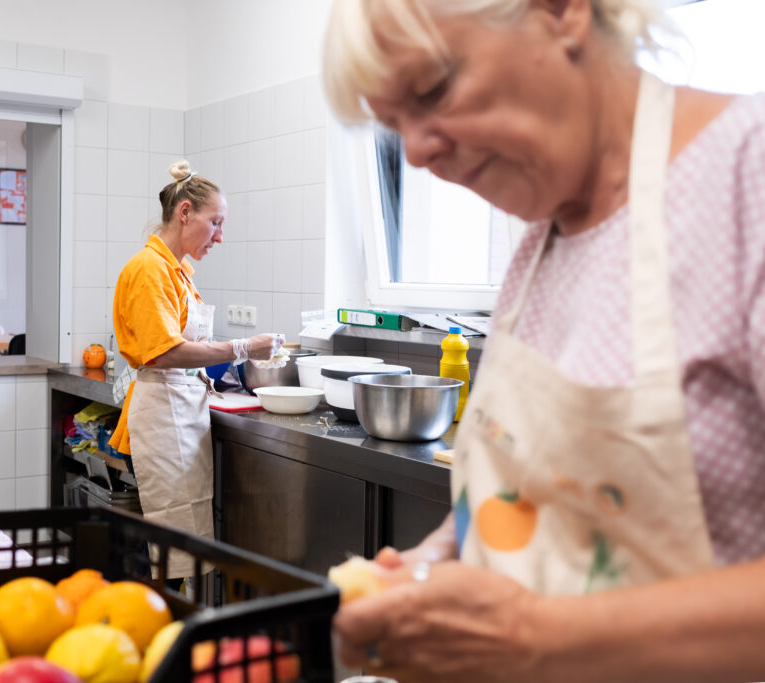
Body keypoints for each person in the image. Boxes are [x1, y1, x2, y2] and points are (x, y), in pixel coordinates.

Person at [322, 0, 765, 680]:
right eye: (392, 127)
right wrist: (432, 565)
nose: (414, 152)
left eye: (434, 88)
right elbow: (530, 498)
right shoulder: (541, 247)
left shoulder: (747, 177)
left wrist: (536, 636)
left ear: (561, 11)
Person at [109, 160, 282, 579]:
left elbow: (185, 346)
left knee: (185, 542)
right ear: (185, 212)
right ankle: (170, 628)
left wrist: (208, 372)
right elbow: (164, 353)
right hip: (163, 418)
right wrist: (242, 347)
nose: (220, 237)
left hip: (180, 413)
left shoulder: (178, 270)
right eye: (216, 223)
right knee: (173, 549)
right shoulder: (151, 270)